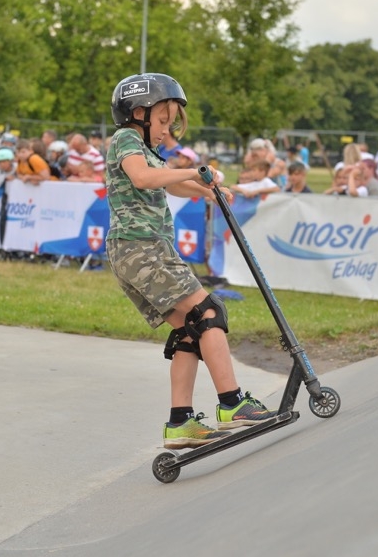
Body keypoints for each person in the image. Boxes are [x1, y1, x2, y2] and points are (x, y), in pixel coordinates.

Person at [105, 72, 276, 450]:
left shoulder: (145, 147)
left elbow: (166, 180)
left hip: (142, 249)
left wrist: (207, 190)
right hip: (140, 248)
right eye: (163, 121)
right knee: (209, 312)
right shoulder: (127, 139)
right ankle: (232, 403)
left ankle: (180, 422)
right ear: (138, 113)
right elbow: (145, 178)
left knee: (189, 330)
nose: (167, 130)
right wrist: (195, 171)